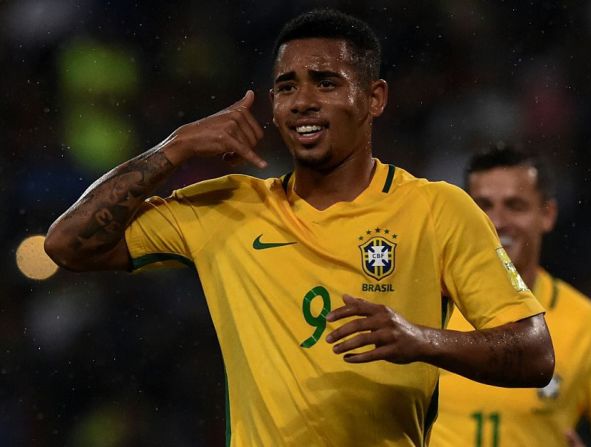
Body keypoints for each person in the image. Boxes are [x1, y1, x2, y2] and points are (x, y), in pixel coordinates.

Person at [44, 10, 554, 446]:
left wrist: (422, 340)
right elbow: (66, 243)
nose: (303, 101)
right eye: (287, 86)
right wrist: (172, 148)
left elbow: (535, 353)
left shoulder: (437, 209)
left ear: (374, 98)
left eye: (326, 82)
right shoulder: (228, 206)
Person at [430, 144, 591, 447]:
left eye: (515, 206)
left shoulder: (588, 325)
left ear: (547, 214)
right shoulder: (427, 306)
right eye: (483, 206)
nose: (497, 221)